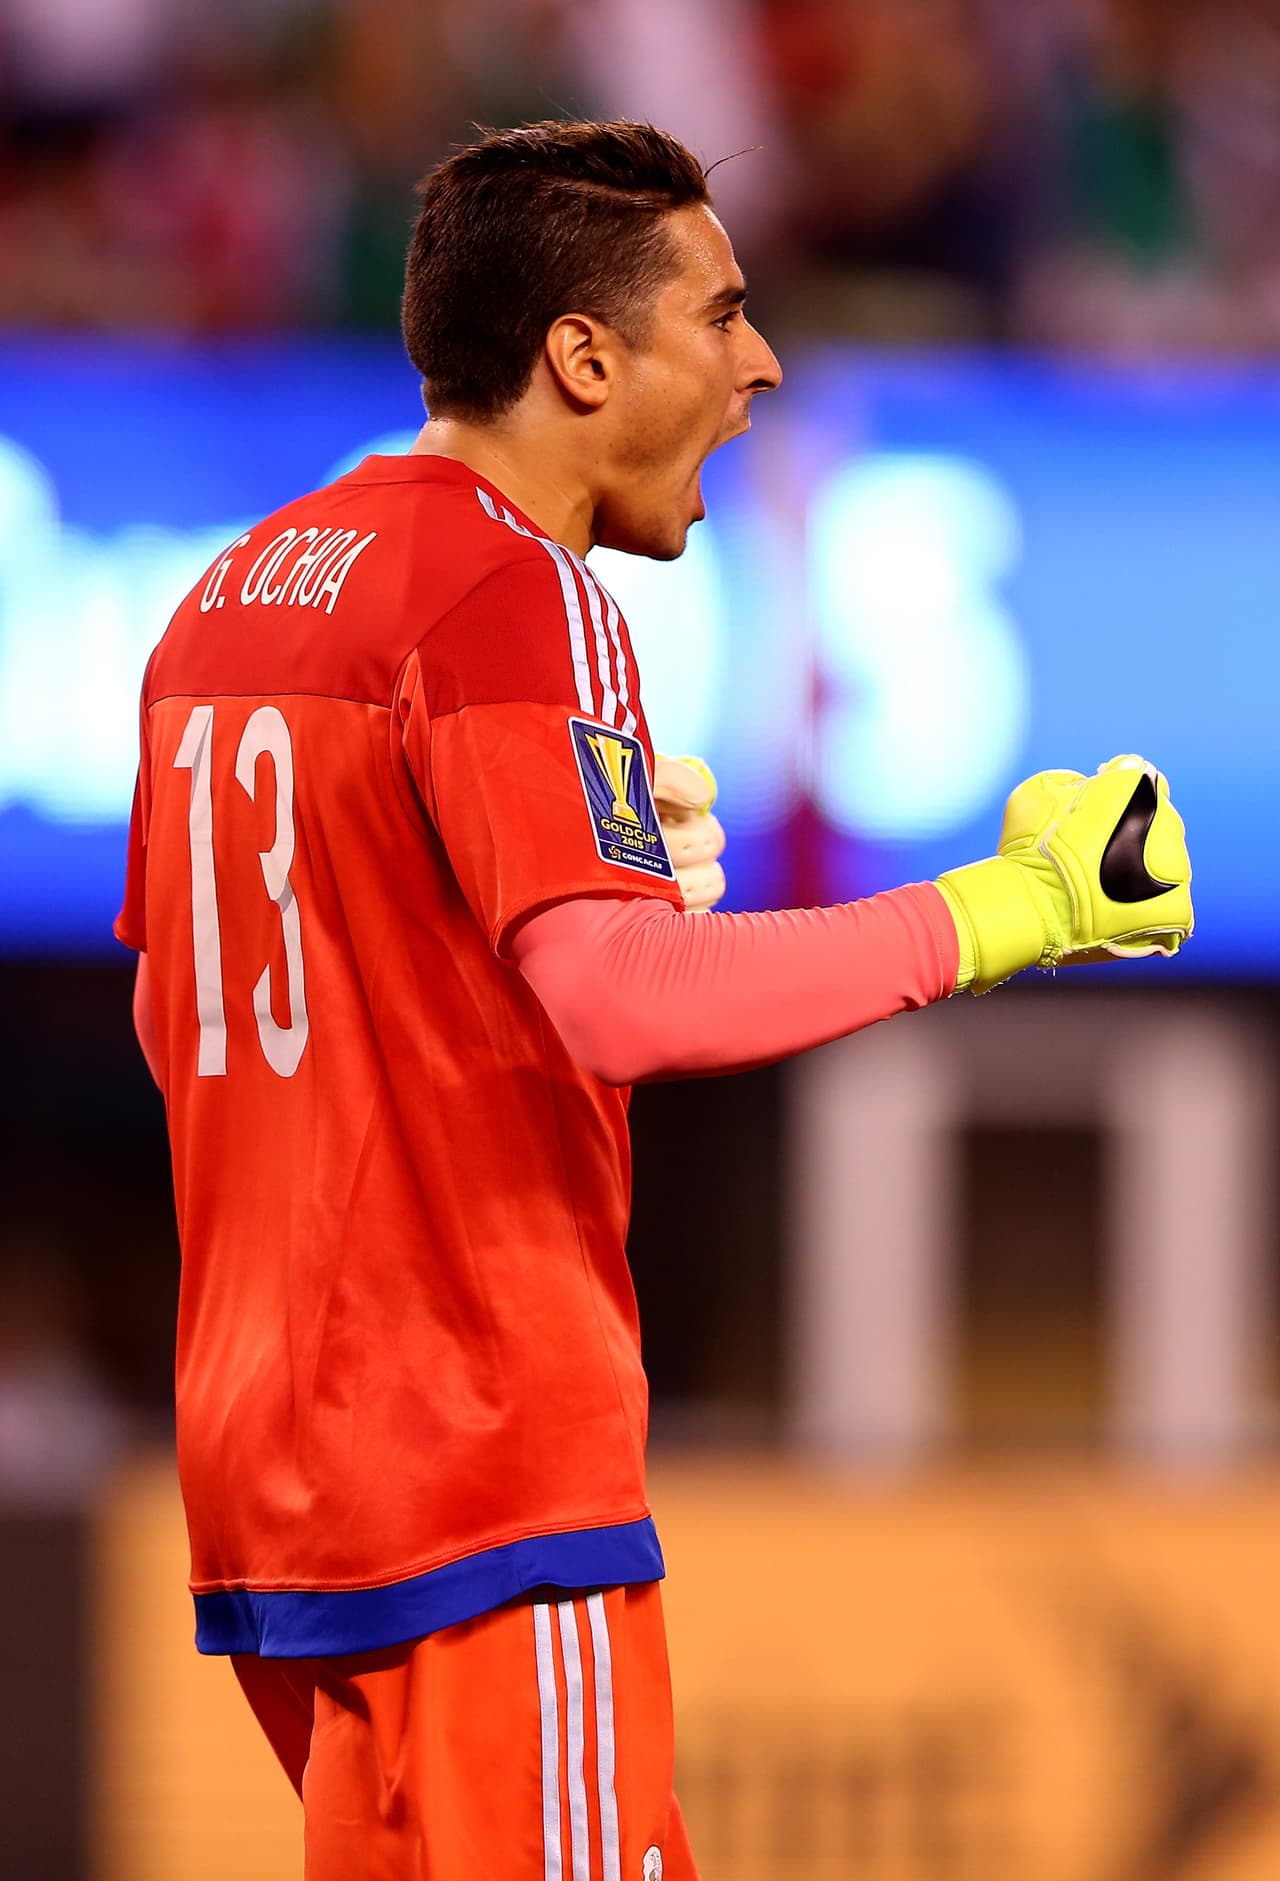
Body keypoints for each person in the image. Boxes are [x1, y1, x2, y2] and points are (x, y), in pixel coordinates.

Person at [116, 119, 1192, 1881]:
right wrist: (1018, 907)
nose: (761, 360)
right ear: (584, 356)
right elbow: (621, 997)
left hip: (277, 1495)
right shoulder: (516, 584)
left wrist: (532, 883)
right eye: (725, 311)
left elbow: (192, 1013)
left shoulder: (225, 602)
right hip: (483, 1472)